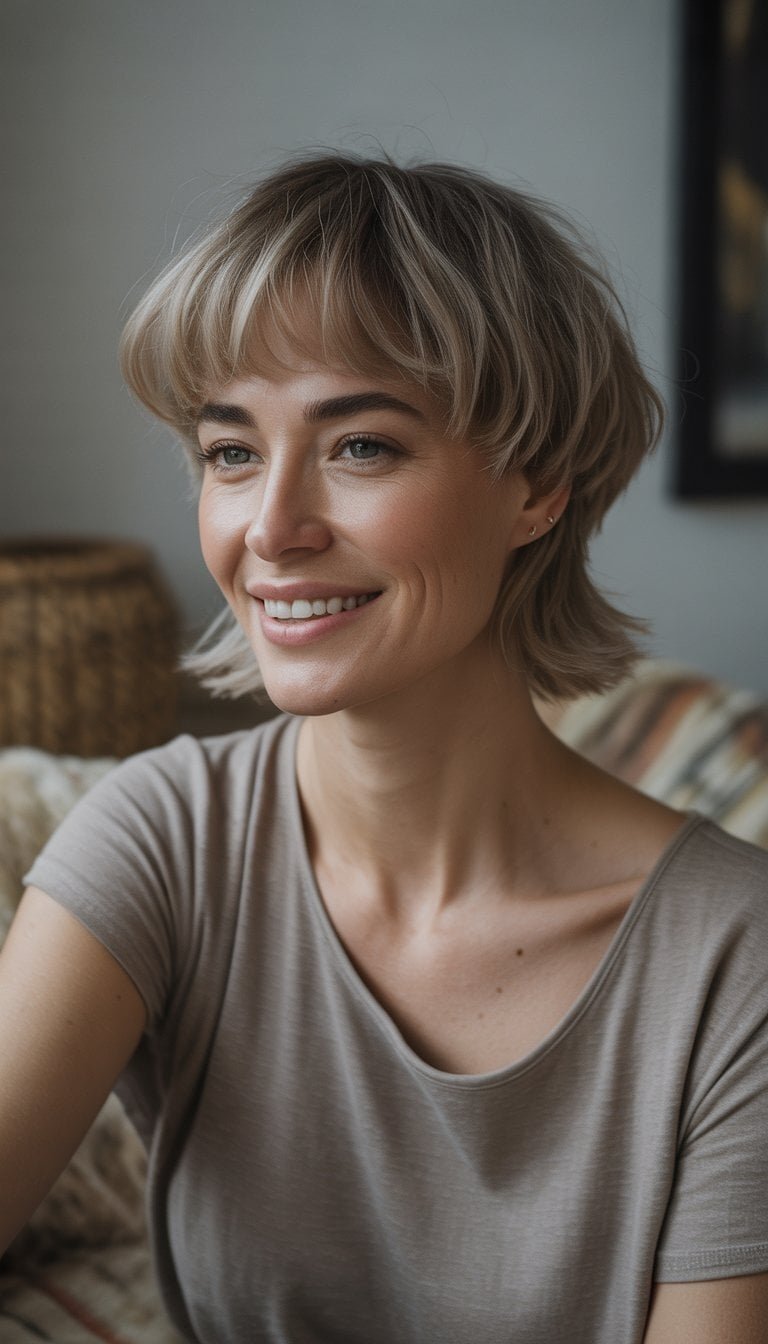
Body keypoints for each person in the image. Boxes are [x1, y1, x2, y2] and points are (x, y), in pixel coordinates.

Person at [1, 154, 767, 1344]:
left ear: (538, 485)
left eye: (360, 446)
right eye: (231, 452)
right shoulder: (162, 841)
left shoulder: (737, 962)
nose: (271, 526)